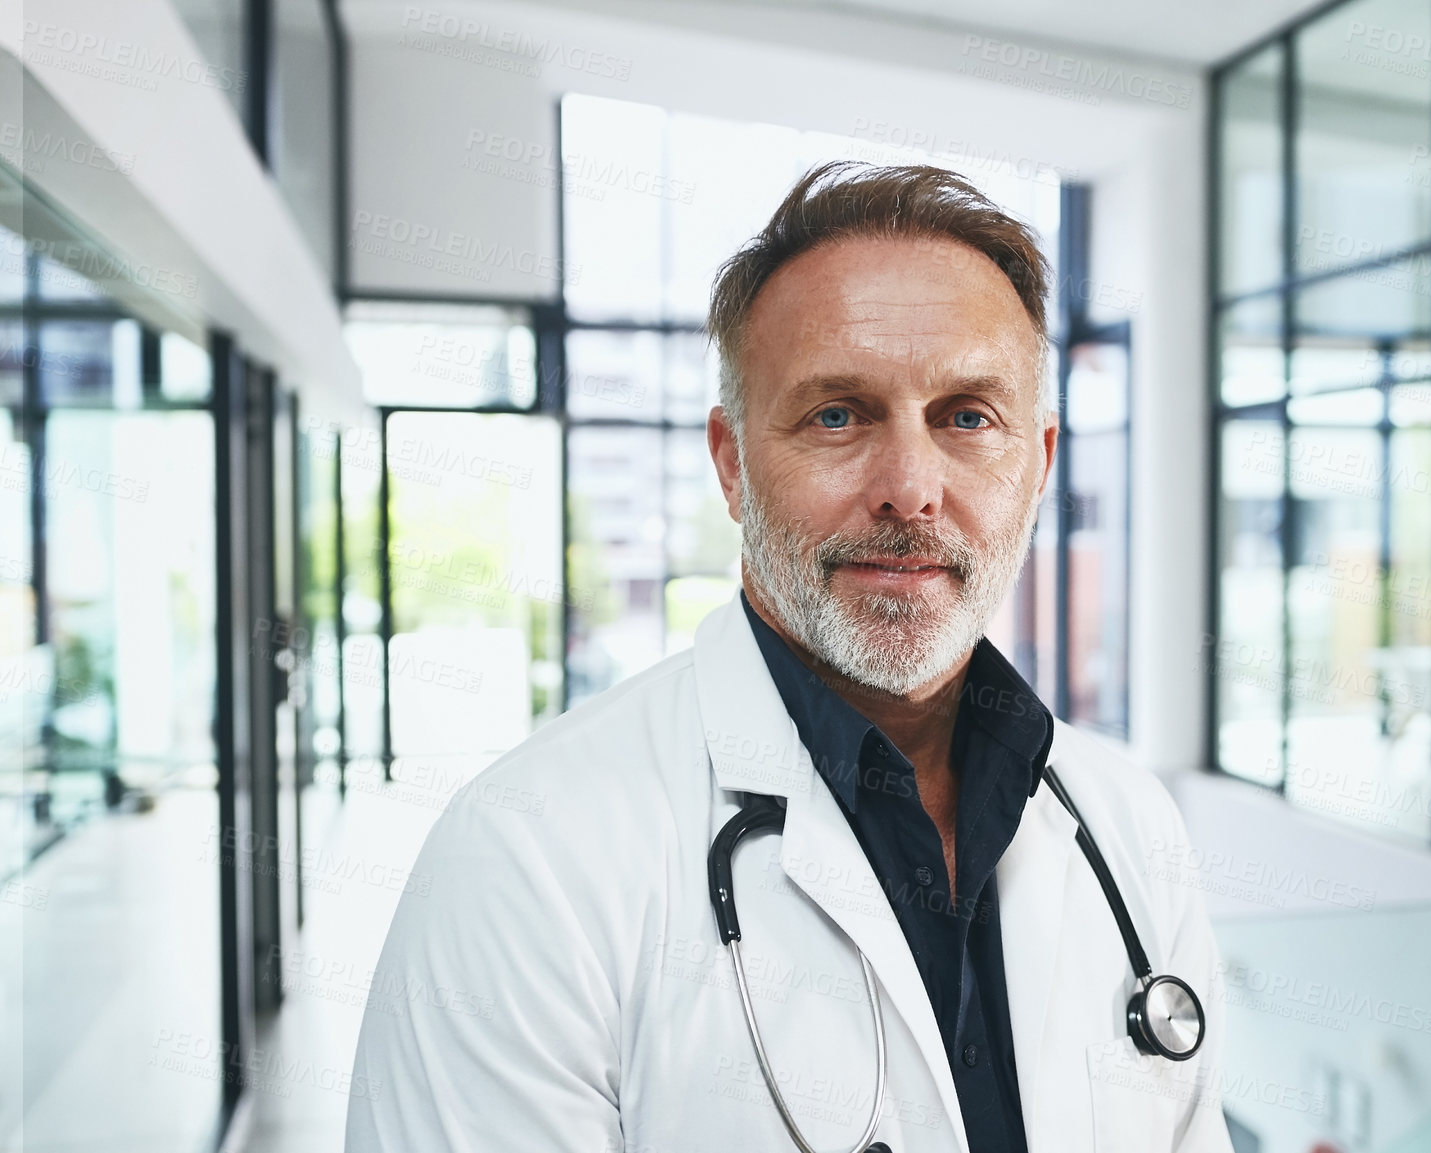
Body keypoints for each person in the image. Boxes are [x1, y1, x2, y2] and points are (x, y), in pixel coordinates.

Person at [346, 161, 1231, 1152]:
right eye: (837, 415)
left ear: (1040, 466)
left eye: (967, 417)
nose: (910, 488)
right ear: (731, 463)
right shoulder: (528, 859)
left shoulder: (1127, 825)